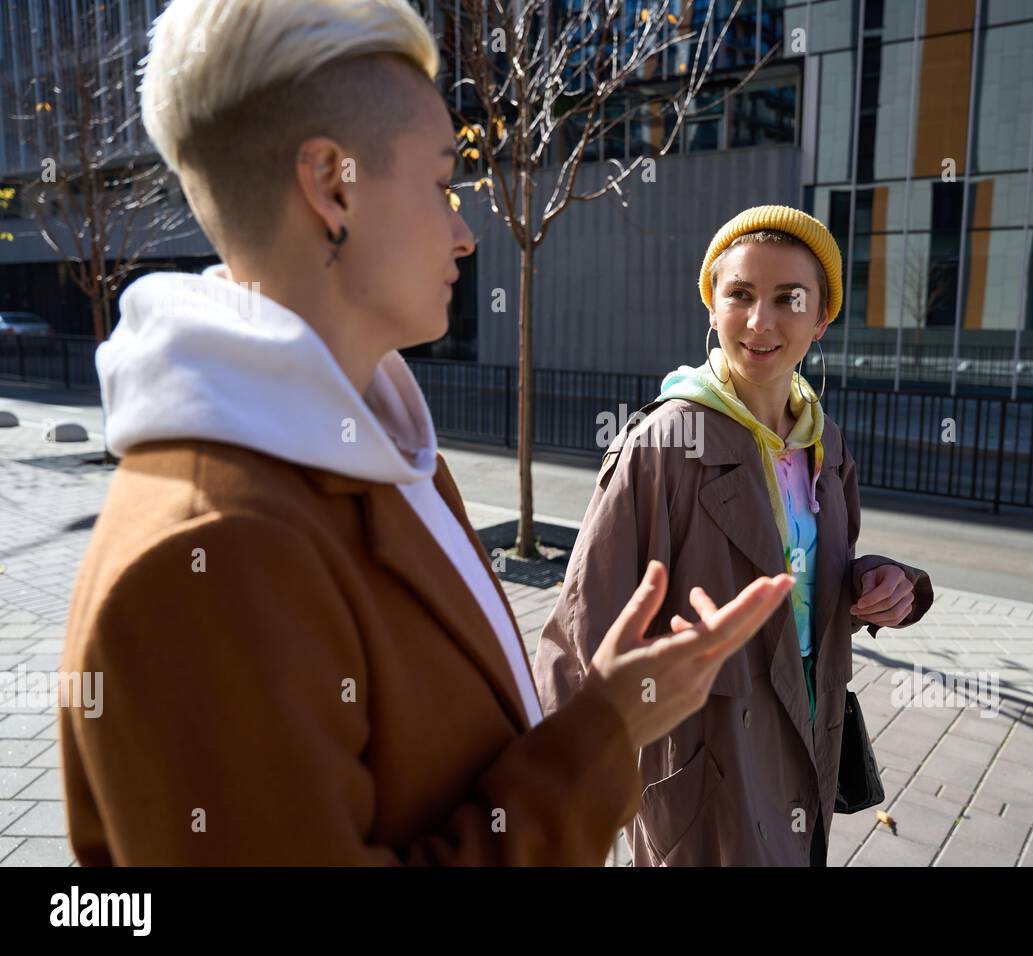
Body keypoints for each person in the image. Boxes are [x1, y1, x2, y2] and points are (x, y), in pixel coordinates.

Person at [58, 0, 793, 866]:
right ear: (334, 185)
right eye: (444, 184)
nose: (465, 232)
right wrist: (607, 729)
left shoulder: (372, 447)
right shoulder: (209, 553)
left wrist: (605, 709)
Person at [534, 205, 935, 866]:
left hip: (808, 729)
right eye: (740, 295)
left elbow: (813, 572)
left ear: (821, 318)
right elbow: (580, 632)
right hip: (708, 755)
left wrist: (883, 583)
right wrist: (555, 798)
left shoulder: (822, 441)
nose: (761, 321)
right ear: (712, 308)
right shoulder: (663, 443)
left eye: (788, 299)